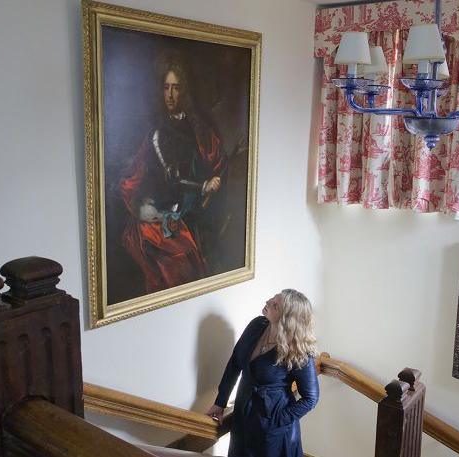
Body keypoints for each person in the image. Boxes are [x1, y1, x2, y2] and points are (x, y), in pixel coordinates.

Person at [120, 58, 225, 293]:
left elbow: (214, 161)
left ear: (184, 91)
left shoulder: (197, 128)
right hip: (160, 215)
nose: (170, 95)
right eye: (166, 88)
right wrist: (142, 208)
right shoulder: (156, 133)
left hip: (189, 211)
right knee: (171, 257)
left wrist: (214, 180)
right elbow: (164, 178)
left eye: (176, 88)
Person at [206, 290, 319, 457]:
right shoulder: (257, 325)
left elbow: (311, 398)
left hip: (272, 426)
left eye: (275, 305)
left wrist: (277, 420)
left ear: (286, 319)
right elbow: (235, 363)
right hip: (243, 414)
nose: (268, 302)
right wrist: (220, 402)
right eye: (273, 298)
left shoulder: (299, 351)